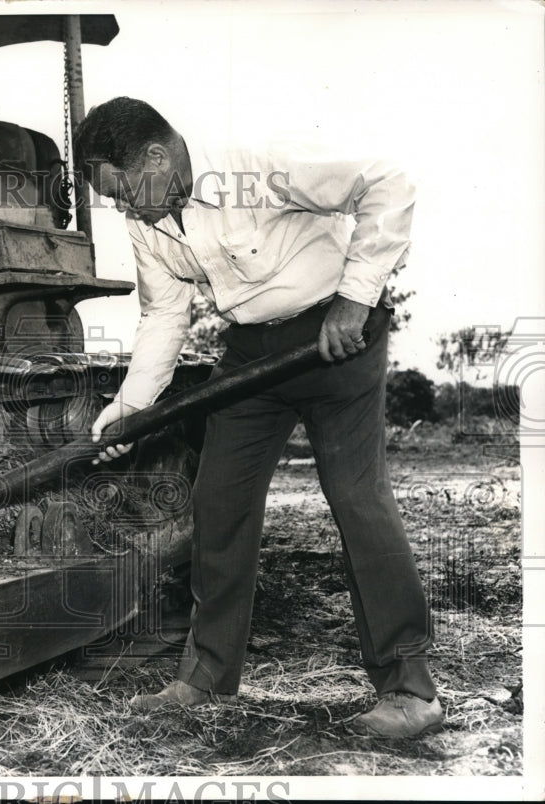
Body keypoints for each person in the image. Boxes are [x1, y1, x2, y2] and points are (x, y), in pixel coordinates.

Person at [74, 97, 442, 738]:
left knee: (356, 498)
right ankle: (208, 678)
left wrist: (355, 302)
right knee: (217, 499)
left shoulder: (260, 166)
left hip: (335, 337)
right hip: (251, 355)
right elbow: (165, 315)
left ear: (157, 157)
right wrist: (130, 410)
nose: (124, 209)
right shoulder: (148, 221)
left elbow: (388, 183)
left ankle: (411, 690)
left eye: (123, 191)